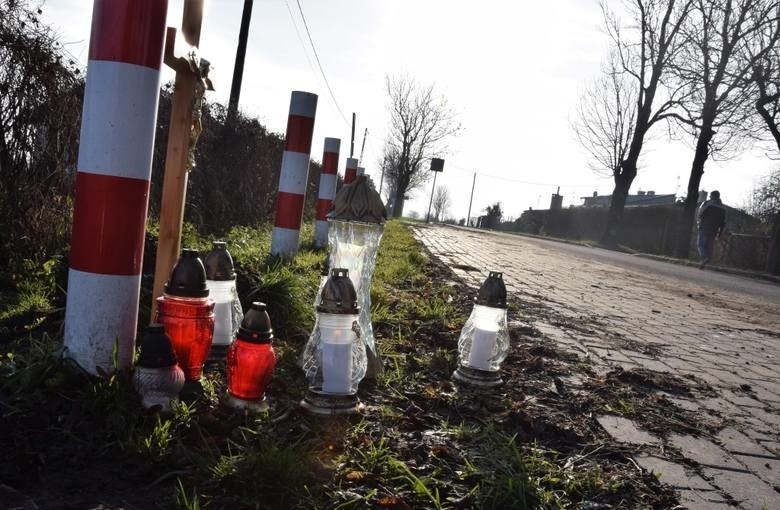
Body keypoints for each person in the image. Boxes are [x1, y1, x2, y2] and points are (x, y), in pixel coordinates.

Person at [697, 190, 726, 269]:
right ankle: (706, 261)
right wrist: (720, 233)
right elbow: (723, 222)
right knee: (709, 246)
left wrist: (699, 222)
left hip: (704, 227)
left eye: (710, 195)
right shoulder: (723, 208)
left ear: (713, 196)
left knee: (700, 244)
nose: (709, 197)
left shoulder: (707, 203)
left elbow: (700, 213)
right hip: (714, 230)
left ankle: (704, 258)